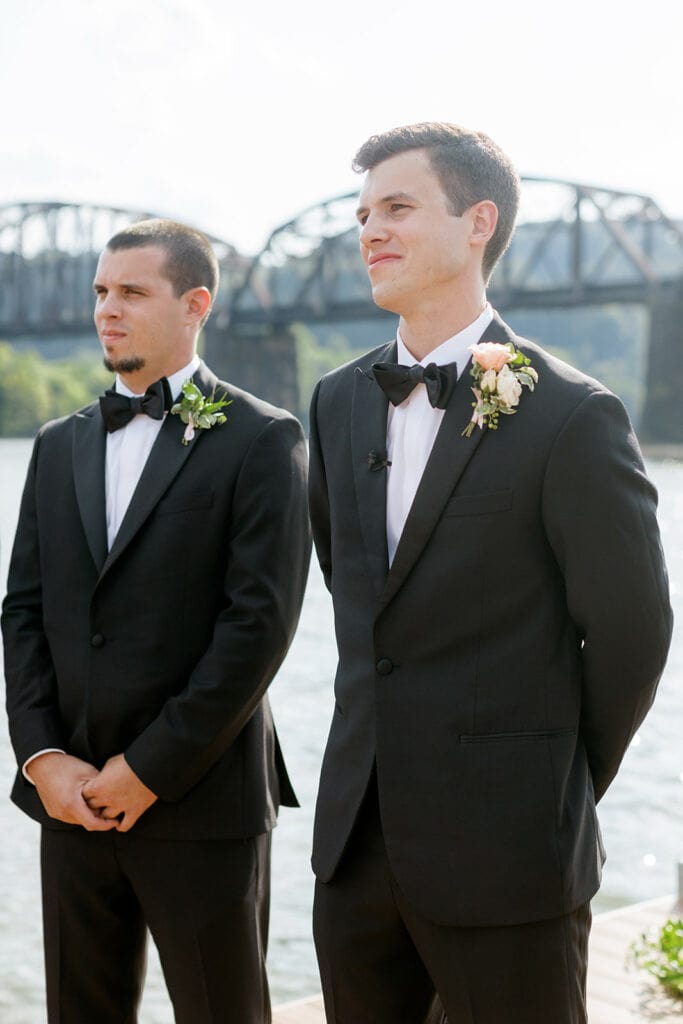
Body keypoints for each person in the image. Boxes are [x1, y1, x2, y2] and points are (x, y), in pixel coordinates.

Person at [308, 123, 673, 1024]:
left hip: (511, 856)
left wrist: (550, 780)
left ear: (479, 221)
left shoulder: (572, 414)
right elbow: (361, 599)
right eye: (361, 214)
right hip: (354, 853)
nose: (368, 231)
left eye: (396, 207)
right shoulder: (335, 399)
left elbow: (632, 632)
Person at [2, 218, 311, 1024]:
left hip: (200, 799)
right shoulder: (55, 445)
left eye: (132, 292)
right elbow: (23, 612)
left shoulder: (263, 439)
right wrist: (42, 759)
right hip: (70, 801)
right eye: (102, 291)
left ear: (194, 304)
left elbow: (259, 626)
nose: (108, 308)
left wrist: (148, 769)